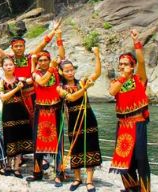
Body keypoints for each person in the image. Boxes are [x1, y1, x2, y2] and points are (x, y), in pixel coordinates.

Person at [0, 23, 59, 119]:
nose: (19, 48)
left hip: (33, 94)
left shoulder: (30, 57)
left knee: (36, 121)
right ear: (12, 48)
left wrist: (54, 31)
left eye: (21, 46)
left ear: (24, 47)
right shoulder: (9, 59)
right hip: (16, 95)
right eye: (16, 46)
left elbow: (43, 43)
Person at [57, 28, 102, 192]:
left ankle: (90, 180)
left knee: (90, 146)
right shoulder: (59, 87)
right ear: (62, 72)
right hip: (74, 119)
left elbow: (97, 73)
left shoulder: (81, 81)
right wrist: (85, 89)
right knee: (75, 147)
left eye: (72, 70)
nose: (70, 72)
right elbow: (71, 98)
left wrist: (97, 55)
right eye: (67, 70)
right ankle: (77, 178)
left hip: (88, 117)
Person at [109, 30, 150, 192]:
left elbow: (141, 61)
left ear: (132, 67)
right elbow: (112, 92)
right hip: (123, 125)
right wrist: (123, 77)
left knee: (140, 157)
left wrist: (136, 42)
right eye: (121, 64)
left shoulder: (139, 79)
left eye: (126, 64)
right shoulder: (116, 81)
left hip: (138, 123)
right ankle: (131, 188)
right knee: (125, 158)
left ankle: (145, 189)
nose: (123, 66)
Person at [29, 49, 64, 184]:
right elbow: (42, 82)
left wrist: (59, 38)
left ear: (49, 60)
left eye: (46, 60)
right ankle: (37, 173)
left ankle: (59, 174)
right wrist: (51, 67)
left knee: (58, 142)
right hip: (41, 111)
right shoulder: (35, 74)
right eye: (41, 60)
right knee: (38, 142)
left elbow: (62, 56)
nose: (43, 62)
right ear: (38, 63)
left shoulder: (56, 71)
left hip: (55, 110)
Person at [0, 55, 34, 178]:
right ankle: (7, 165)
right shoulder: (0, 81)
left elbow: (33, 79)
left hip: (21, 112)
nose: (9, 67)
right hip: (8, 112)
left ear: (14, 66)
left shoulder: (20, 79)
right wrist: (16, 89)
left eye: (11, 65)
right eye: (6, 65)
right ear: (2, 67)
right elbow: (3, 98)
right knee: (9, 138)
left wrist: (33, 62)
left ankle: (17, 167)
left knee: (20, 138)